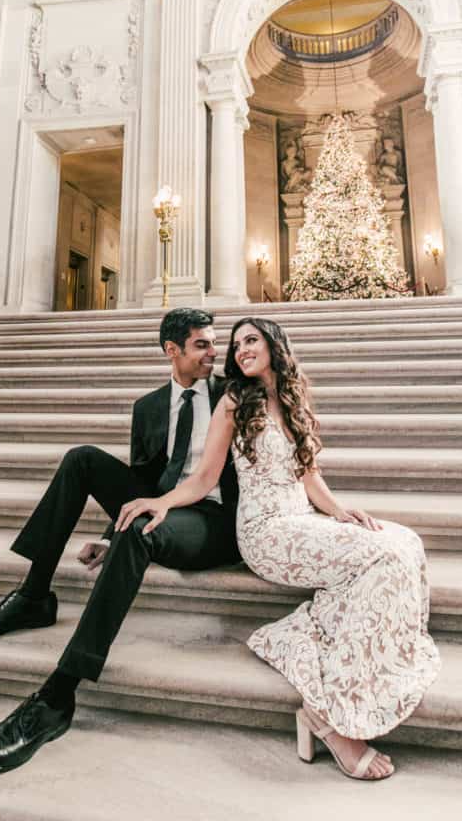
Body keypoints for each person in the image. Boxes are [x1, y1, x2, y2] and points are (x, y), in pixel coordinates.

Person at [117, 317, 441, 781]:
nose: (241, 350)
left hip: (303, 520)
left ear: (274, 345)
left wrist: (340, 511)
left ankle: (361, 655)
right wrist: (162, 502)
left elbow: (309, 475)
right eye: (237, 345)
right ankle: (328, 717)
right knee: (383, 557)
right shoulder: (233, 401)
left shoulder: (292, 397)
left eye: (251, 340)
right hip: (266, 532)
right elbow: (205, 478)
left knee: (405, 541)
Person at [0, 307, 240, 772]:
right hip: (162, 505)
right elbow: (143, 482)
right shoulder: (149, 407)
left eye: (214, 342)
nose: (214, 352)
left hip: (213, 518)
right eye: (202, 345)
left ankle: (57, 696)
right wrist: (109, 535)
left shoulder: (233, 394)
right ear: (171, 350)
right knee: (81, 458)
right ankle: (33, 596)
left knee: (139, 529)